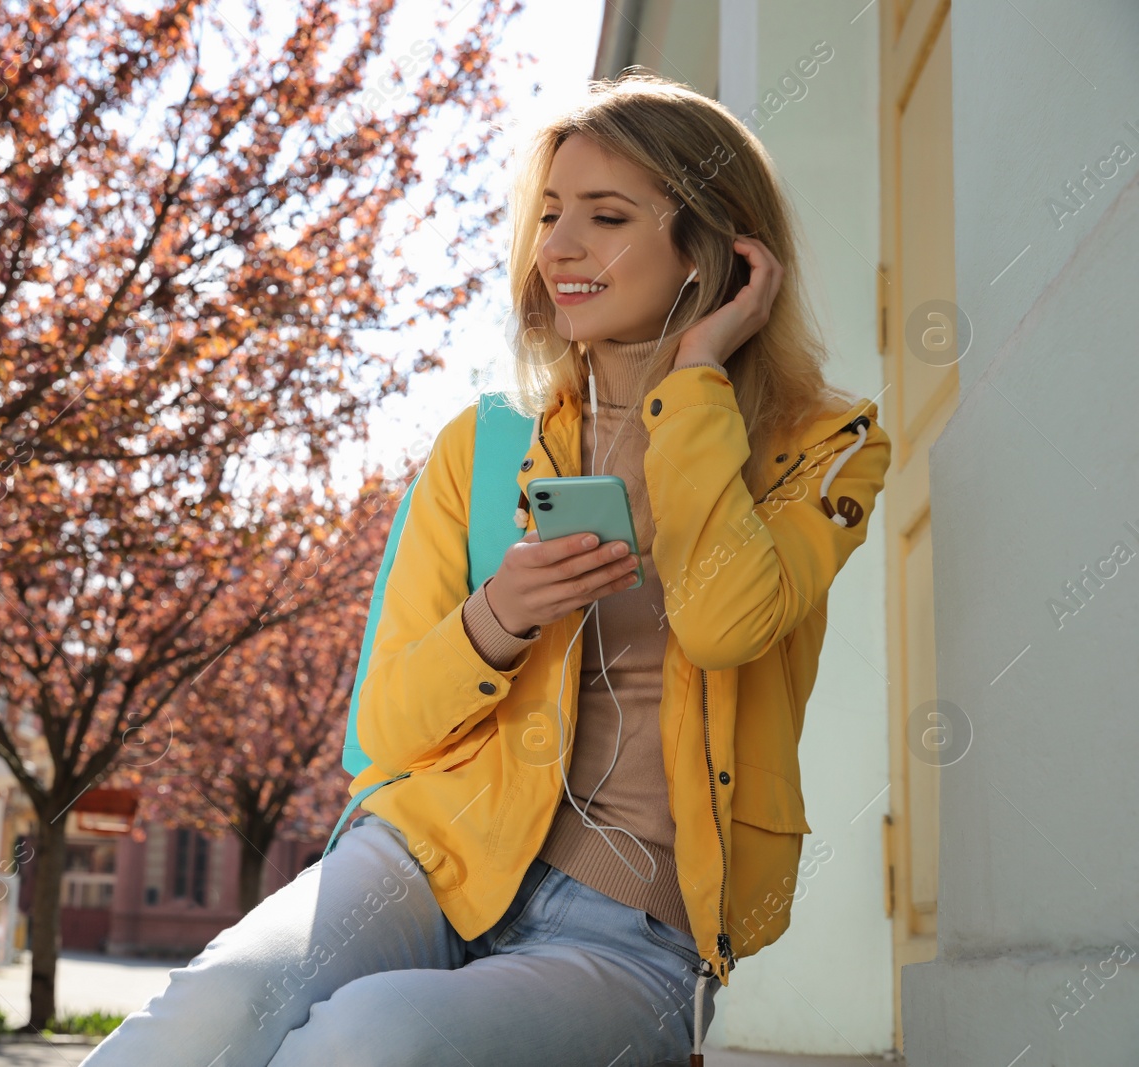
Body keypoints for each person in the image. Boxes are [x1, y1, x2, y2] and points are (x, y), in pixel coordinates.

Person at [82, 72, 891, 1067]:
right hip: (425, 856)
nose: (557, 246)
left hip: (629, 925)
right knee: (216, 1008)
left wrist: (694, 383)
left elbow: (726, 620)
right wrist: (497, 614)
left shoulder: (822, 446)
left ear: (716, 250)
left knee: (369, 1041)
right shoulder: (486, 444)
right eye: (549, 214)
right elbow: (385, 725)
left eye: (606, 215)